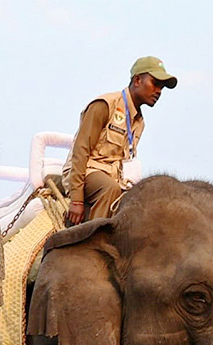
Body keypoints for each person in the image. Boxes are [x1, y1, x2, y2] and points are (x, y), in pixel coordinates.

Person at [63, 56, 178, 225]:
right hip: (87, 172)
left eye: (162, 87)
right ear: (137, 80)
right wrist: (77, 200)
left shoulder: (139, 122)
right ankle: (91, 241)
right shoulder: (104, 105)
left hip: (116, 178)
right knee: (110, 189)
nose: (159, 91)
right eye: (155, 83)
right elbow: (80, 152)